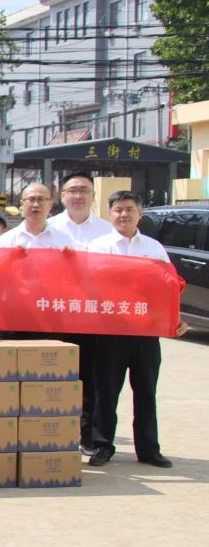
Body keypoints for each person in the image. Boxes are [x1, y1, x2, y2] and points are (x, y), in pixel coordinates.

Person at [86, 191, 189, 468]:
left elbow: (169, 288)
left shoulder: (154, 248)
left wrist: (176, 319)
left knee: (146, 391)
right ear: (110, 214)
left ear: (139, 213)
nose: (124, 215)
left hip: (145, 332)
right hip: (110, 333)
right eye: (118, 209)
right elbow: (88, 285)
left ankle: (148, 449)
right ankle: (102, 445)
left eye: (129, 209)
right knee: (106, 392)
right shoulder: (98, 247)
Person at [47, 171, 113, 454]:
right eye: (72, 190)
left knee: (89, 377)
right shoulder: (48, 228)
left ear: (93, 196)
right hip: (54, 315)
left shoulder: (107, 231)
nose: (78, 196)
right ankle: (54, 433)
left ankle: (87, 437)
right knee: (55, 377)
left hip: (92, 316)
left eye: (84, 190)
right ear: (62, 196)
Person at [0, 183, 75, 251]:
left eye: (41, 199)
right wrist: (10, 258)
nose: (36, 205)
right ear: (22, 204)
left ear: (50, 205)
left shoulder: (64, 240)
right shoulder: (6, 240)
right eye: (31, 199)